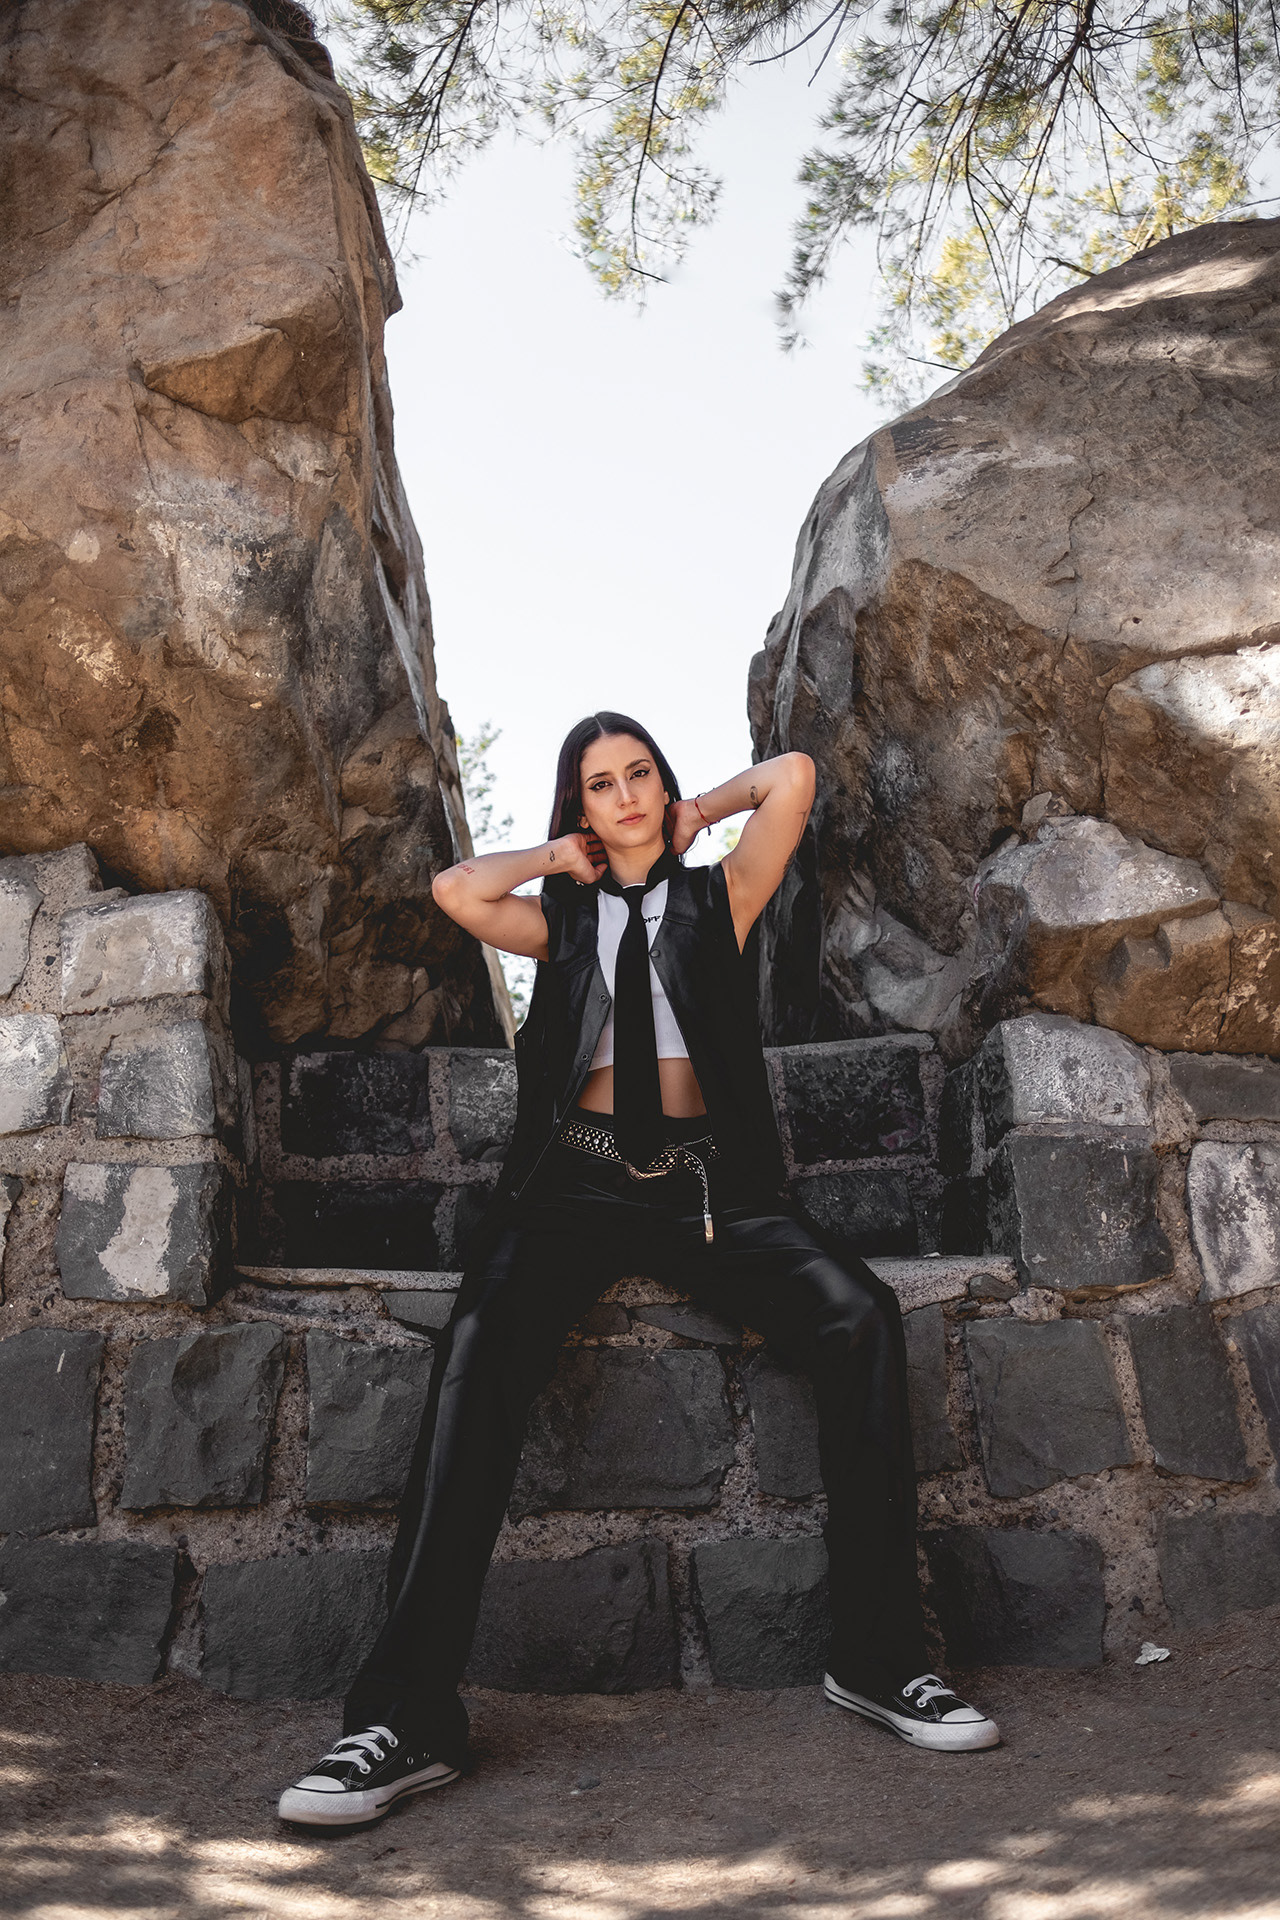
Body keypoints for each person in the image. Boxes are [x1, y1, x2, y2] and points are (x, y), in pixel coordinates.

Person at [278, 712, 999, 1827]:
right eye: (599, 783)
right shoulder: (560, 920)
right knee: (476, 1347)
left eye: (639, 774)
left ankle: (877, 1658)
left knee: (859, 1314)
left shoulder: (721, 899)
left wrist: (698, 814)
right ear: (579, 806)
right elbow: (457, 890)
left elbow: (793, 777)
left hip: (708, 1191)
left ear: (661, 786)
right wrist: (553, 857)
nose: (623, 795)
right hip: (569, 1188)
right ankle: (404, 1720)